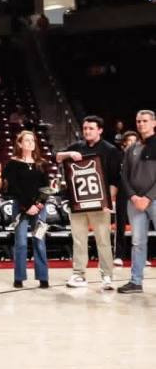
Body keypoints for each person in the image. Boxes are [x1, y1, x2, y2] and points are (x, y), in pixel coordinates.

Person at [56, 116, 122, 290]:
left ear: (100, 130)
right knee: (78, 240)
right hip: (77, 202)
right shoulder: (76, 146)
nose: (87, 131)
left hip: (100, 204)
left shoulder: (110, 150)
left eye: (91, 128)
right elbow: (58, 157)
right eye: (85, 128)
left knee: (103, 240)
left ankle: (107, 276)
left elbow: (115, 179)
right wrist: (69, 154)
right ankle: (79, 274)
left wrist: (109, 201)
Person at [3, 130, 51, 289]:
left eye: (32, 140)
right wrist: (27, 206)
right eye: (27, 140)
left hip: (39, 208)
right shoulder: (12, 164)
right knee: (21, 242)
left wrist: (39, 204)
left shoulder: (41, 163)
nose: (31, 143)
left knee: (39, 240)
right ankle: (19, 277)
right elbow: (13, 187)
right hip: (20, 207)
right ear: (19, 143)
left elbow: (46, 187)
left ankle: (43, 277)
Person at [118, 110, 156, 294]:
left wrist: (148, 197)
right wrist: (133, 197)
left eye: (145, 121)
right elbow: (124, 176)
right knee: (137, 242)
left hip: (154, 200)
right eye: (138, 121)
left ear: (154, 123)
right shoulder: (131, 148)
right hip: (134, 203)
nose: (141, 124)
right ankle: (136, 282)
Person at [114, 131, 139, 265]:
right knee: (121, 224)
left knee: (139, 224)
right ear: (124, 143)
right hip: (122, 193)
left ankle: (140, 255)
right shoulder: (118, 157)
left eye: (134, 141)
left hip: (138, 193)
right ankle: (119, 255)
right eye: (129, 141)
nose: (132, 143)